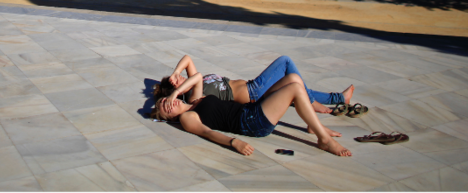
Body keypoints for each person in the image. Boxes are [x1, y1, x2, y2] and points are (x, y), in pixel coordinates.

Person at [150, 72, 352, 157]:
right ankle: (323, 139)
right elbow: (207, 133)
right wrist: (233, 142)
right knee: (295, 90)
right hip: (251, 122)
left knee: (293, 78)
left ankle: (314, 123)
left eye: (167, 101)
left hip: (251, 110)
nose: (170, 104)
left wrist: (175, 92)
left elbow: (197, 76)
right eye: (166, 108)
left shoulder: (195, 100)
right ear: (170, 118)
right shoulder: (187, 118)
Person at [154, 55, 354, 114]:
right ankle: (315, 103)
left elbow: (188, 59)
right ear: (178, 91)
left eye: (181, 77)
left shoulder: (192, 82)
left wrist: (175, 72)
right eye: (178, 82)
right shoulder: (193, 96)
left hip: (253, 86)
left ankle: (337, 98)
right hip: (253, 93)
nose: (181, 78)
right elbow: (194, 75)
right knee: (285, 63)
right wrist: (174, 92)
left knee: (295, 83)